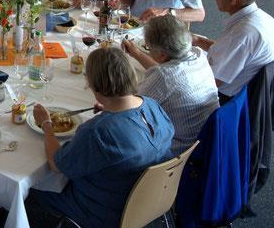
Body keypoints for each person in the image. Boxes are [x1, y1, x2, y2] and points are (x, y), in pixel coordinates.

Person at [27, 47, 174, 228]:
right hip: (148, 202)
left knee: (29, 190)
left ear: (95, 85)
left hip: (105, 211)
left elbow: (57, 165)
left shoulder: (98, 132)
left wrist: (46, 124)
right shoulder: (151, 105)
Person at [123, 15, 219, 154]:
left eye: (149, 48)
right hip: (208, 138)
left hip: (181, 151)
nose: (148, 50)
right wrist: (137, 54)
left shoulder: (164, 77)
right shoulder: (197, 54)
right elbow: (169, 71)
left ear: (162, 55)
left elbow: (129, 108)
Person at [193, 0, 274, 100]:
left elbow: (212, 82)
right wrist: (195, 39)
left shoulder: (242, 34)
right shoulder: (265, 18)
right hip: (244, 88)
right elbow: (229, 51)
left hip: (223, 98)